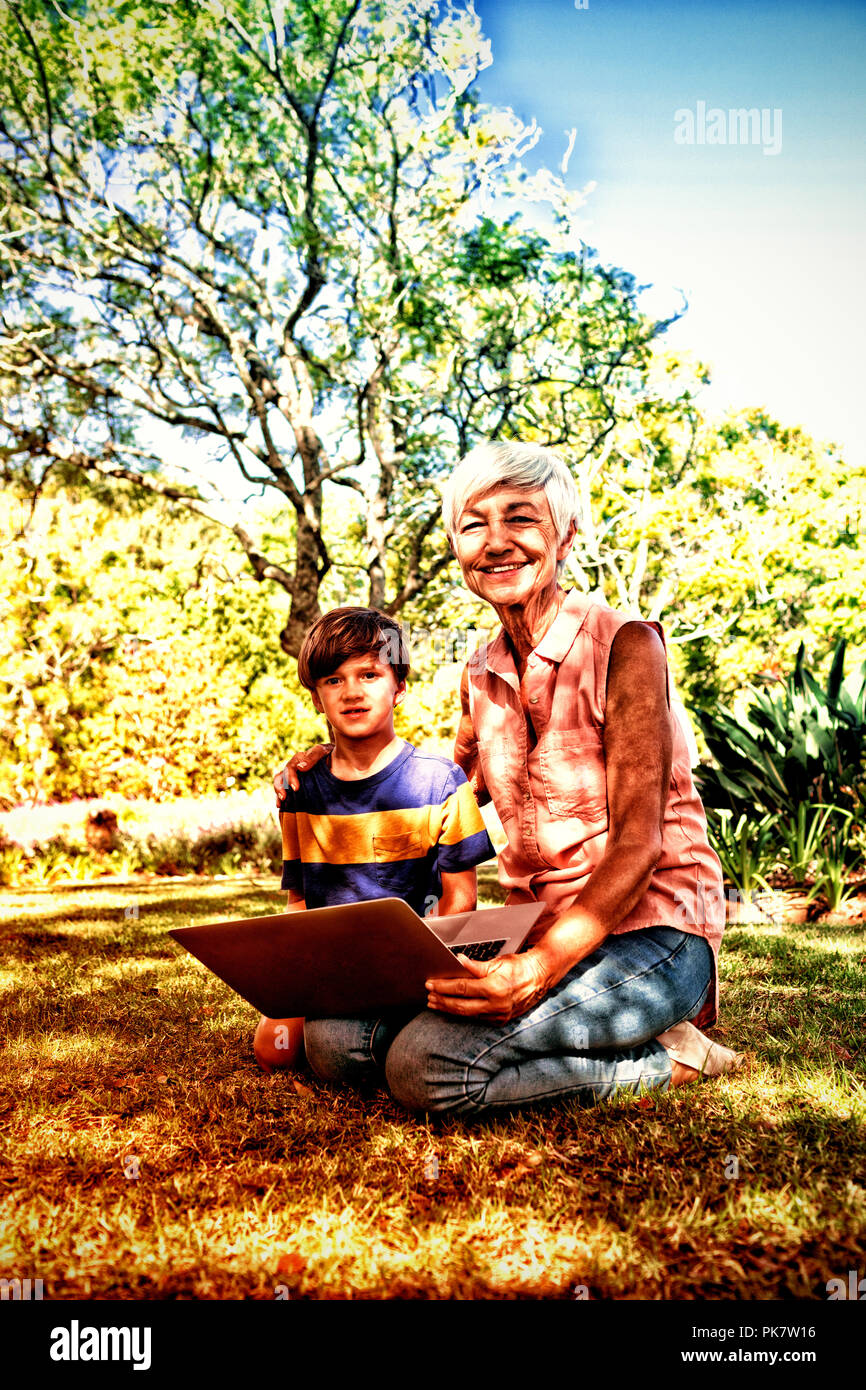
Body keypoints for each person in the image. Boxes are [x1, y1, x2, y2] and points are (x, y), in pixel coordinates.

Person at [275, 442, 742, 1116]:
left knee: (427, 1067)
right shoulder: (480, 671)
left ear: (566, 535)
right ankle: (582, 1031)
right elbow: (438, 793)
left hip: (652, 934)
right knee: (336, 1041)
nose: (496, 543)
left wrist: (535, 970)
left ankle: (668, 1057)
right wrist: (334, 762)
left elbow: (639, 847)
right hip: (530, 924)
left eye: (521, 519)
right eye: (473, 525)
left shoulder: (629, 646)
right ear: (457, 548)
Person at [255, 605, 495, 1078]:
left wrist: (419, 972)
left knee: (336, 1049)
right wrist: (293, 979)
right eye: (333, 680)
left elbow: (460, 901)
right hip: (339, 970)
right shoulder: (300, 792)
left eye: (369, 674)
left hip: (420, 965)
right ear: (317, 698)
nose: (352, 693)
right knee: (276, 1050)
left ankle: (412, 1043)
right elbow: (299, 903)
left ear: (399, 687)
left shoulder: (440, 781)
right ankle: (389, 1045)